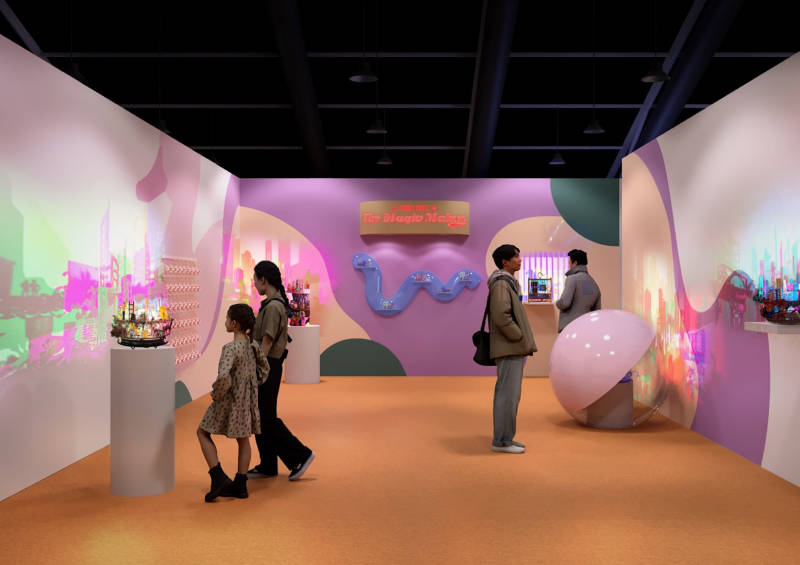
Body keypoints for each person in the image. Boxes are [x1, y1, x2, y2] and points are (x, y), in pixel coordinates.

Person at [247, 260, 316, 481]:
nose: (254, 284)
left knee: (265, 417)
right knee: (262, 416)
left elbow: (266, 342)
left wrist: (256, 369)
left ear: (263, 280)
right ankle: (268, 464)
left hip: (267, 365)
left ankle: (300, 455)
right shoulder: (273, 304)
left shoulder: (273, 307)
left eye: (255, 279)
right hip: (269, 365)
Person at [197, 303, 269, 502]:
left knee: (202, 432)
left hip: (229, 401)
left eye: (227, 318)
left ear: (235, 323)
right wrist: (252, 384)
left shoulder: (230, 348)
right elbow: (265, 369)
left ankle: (217, 477)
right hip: (247, 401)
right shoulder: (252, 345)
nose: (225, 322)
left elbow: (223, 377)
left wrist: (216, 394)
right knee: (244, 440)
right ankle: (241, 485)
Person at [488, 244, 537, 454]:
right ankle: (501, 441)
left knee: (511, 395)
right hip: (509, 347)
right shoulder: (501, 284)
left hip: (511, 347)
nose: (520, 259)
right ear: (504, 262)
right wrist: (518, 335)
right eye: (515, 257)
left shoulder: (508, 283)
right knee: (507, 396)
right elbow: (501, 315)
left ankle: (507, 437)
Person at [555, 249, 601, 333]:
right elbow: (597, 311)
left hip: (570, 327)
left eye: (569, 263)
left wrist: (557, 302)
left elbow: (564, 302)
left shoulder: (572, 279)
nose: (569, 265)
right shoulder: (593, 283)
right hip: (587, 328)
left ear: (575, 263)